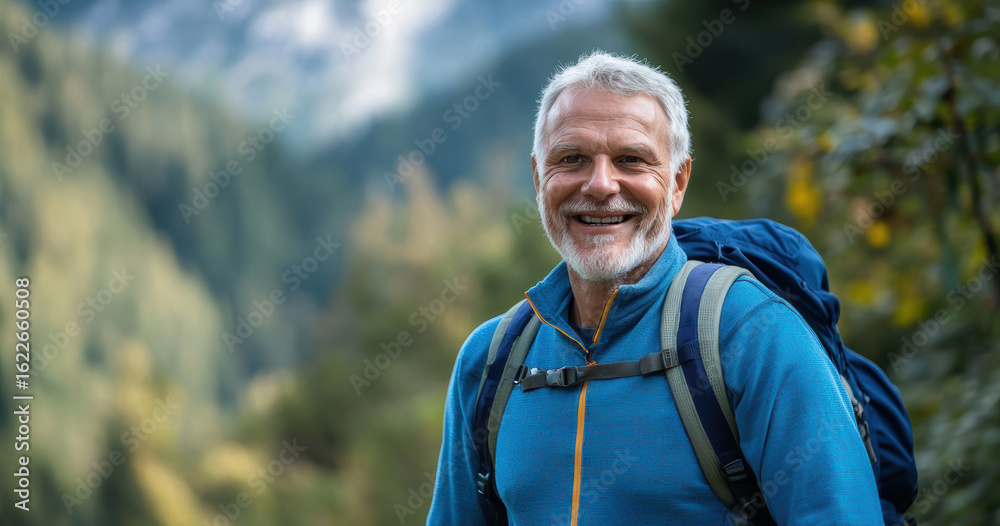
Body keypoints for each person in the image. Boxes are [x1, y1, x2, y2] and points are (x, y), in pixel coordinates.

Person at [426, 51, 883, 525]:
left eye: (631, 159)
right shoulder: (490, 360)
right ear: (540, 178)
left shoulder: (753, 332)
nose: (600, 185)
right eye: (572, 159)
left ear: (678, 182)